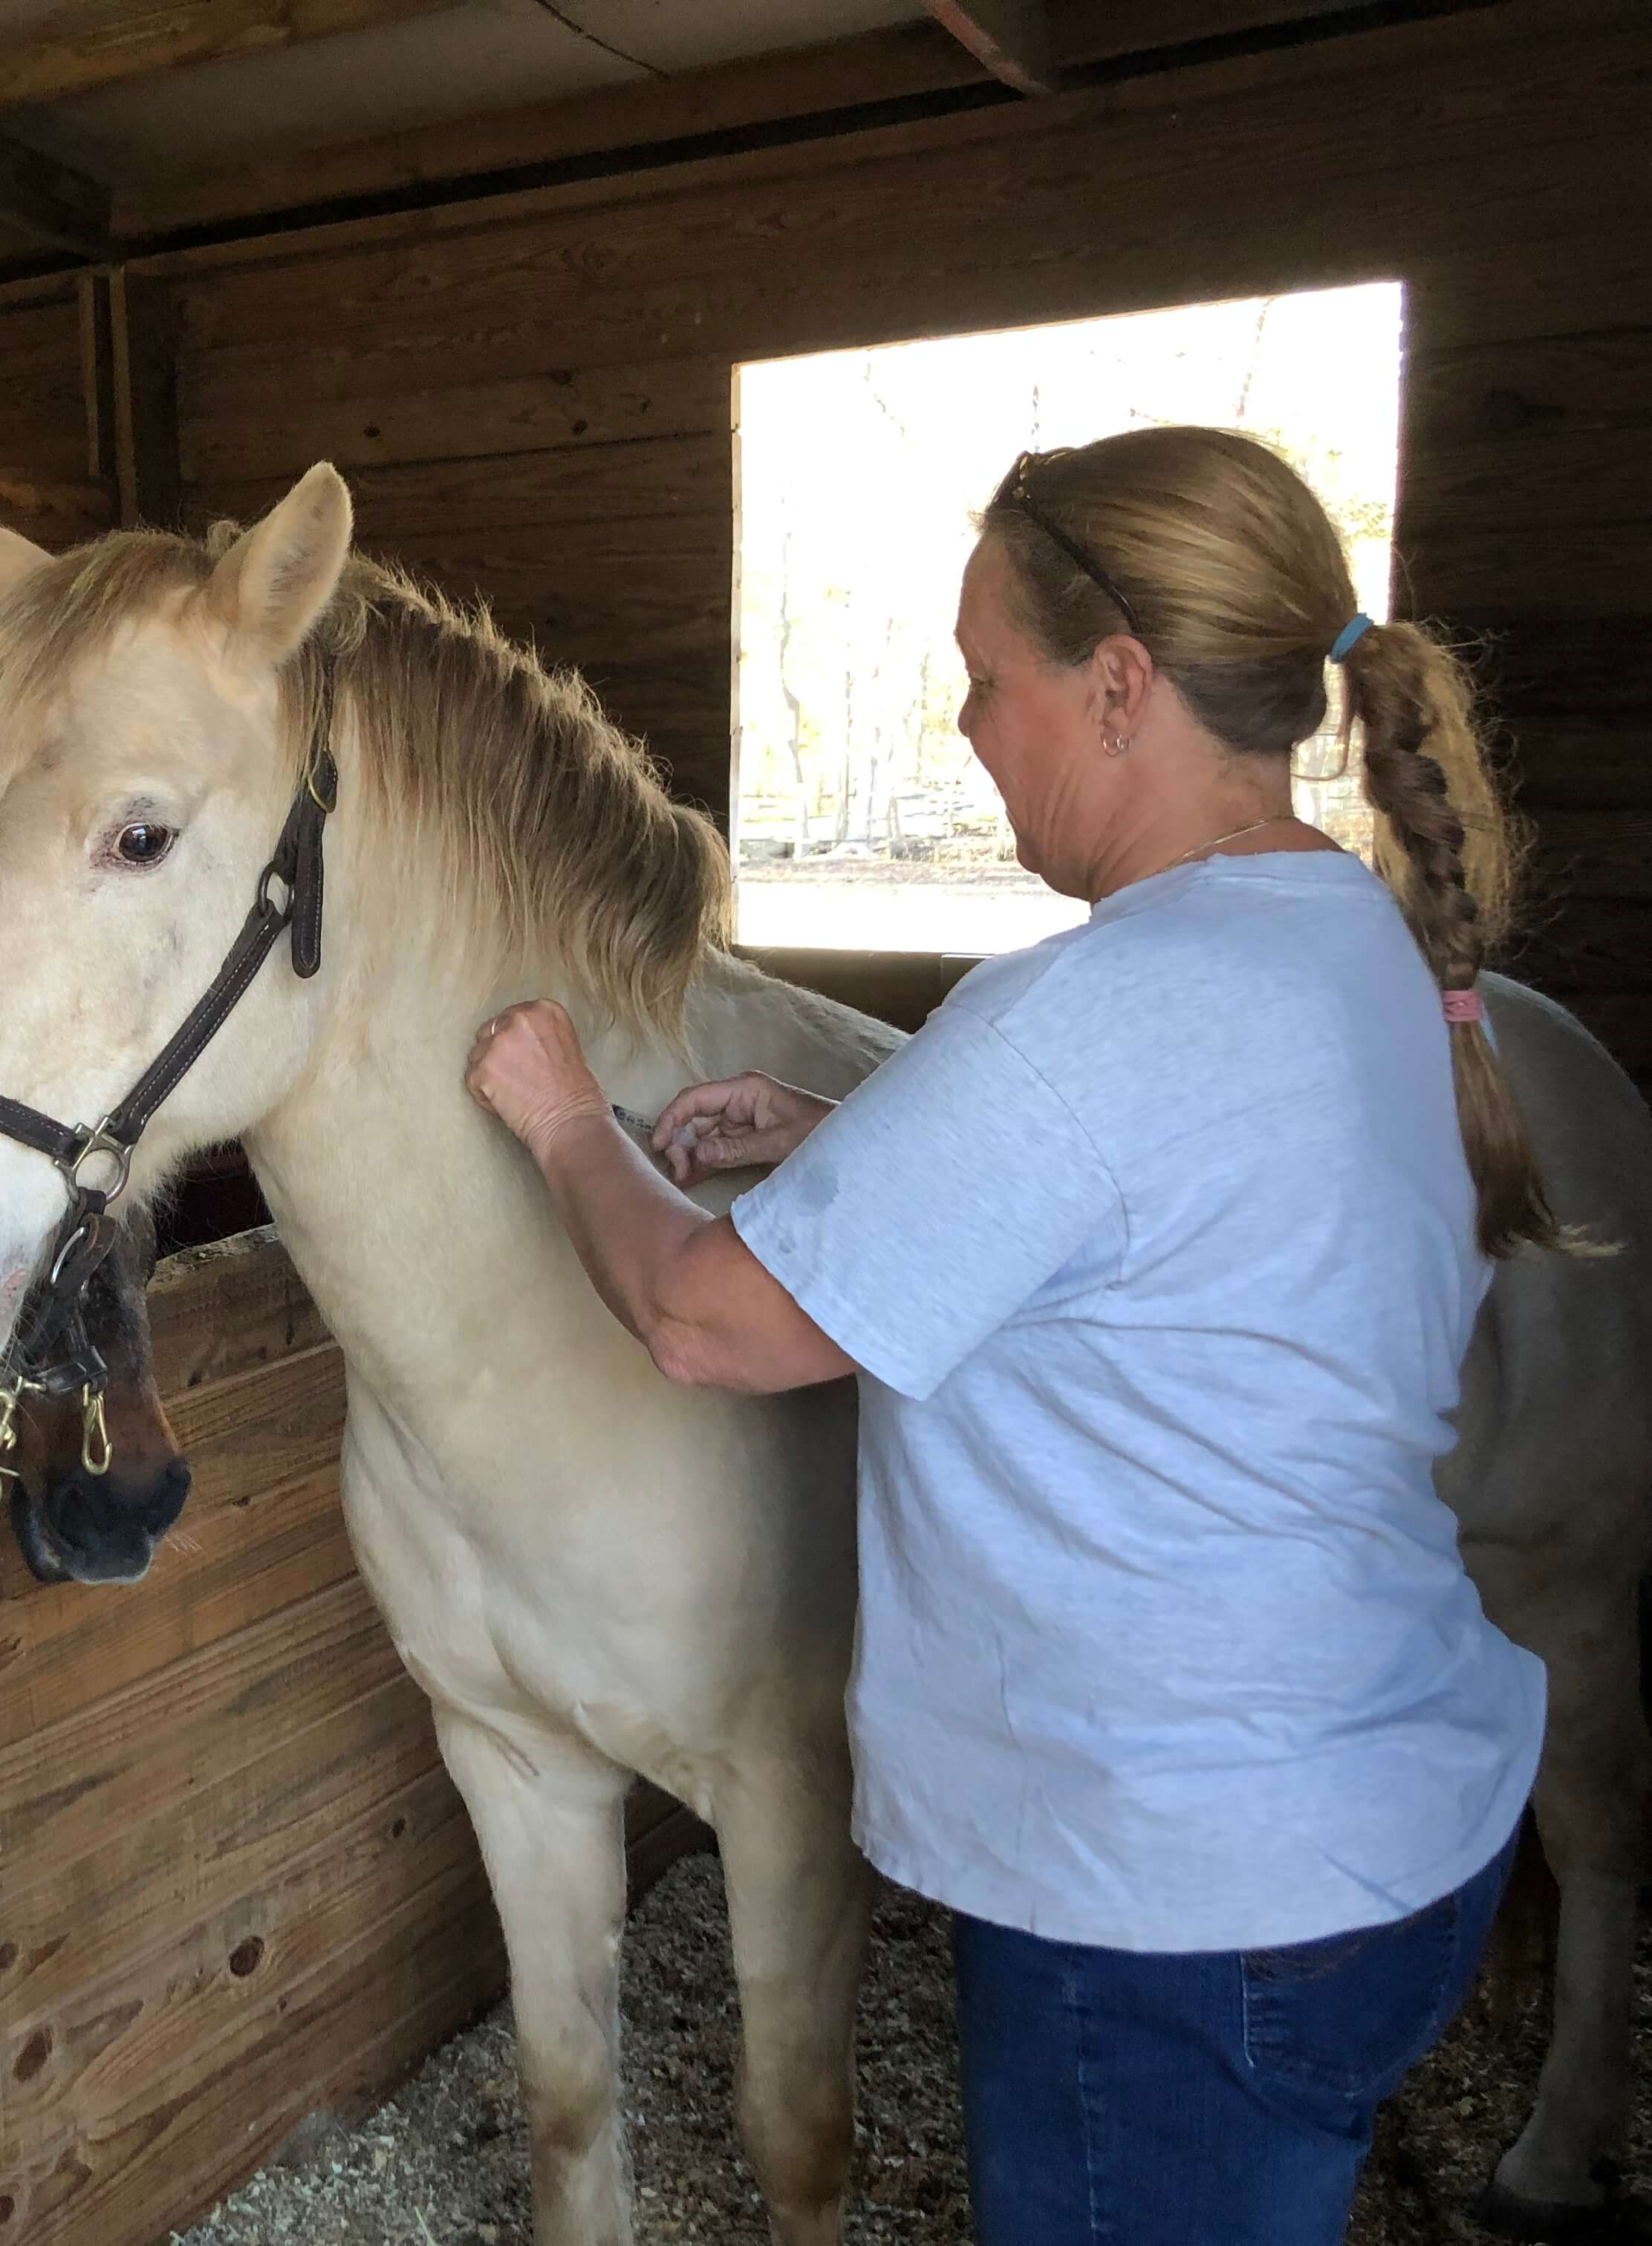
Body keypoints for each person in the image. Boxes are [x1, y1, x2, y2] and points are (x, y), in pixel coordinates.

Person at [465, 426, 1551, 2243]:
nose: (969, 728)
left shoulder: (1091, 1008)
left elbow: (700, 1318)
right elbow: (1183, 1220)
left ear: (1119, 685)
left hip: (1173, 1909)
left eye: (988, 680)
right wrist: (854, 1159)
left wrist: (563, 1113)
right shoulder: (1341, 932)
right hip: (1385, 1822)